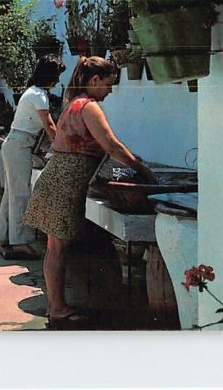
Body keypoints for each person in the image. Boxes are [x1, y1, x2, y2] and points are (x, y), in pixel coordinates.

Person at [23, 56, 155, 322]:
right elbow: (112, 147)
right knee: (57, 248)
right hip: (65, 181)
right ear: (94, 80)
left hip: (57, 177)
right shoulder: (89, 106)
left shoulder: (73, 102)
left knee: (54, 248)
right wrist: (143, 170)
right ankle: (58, 308)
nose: (110, 90)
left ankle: (55, 306)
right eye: (108, 84)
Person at [0, 55, 65, 261]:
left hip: (14, 143)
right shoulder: (39, 95)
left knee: (12, 192)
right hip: (20, 145)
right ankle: (19, 242)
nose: (58, 81)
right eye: (57, 76)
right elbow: (50, 125)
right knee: (20, 194)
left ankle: (5, 237)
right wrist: (62, 146)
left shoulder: (32, 92)